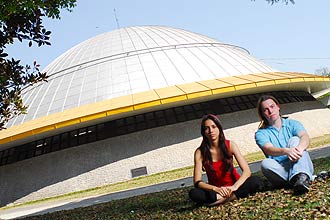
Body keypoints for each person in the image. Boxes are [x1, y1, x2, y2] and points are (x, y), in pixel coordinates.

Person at [189, 114, 262, 206]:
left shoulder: (231, 145)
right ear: (203, 132)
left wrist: (234, 187)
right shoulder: (199, 152)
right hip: (217, 191)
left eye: (214, 127)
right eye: (207, 128)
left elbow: (247, 171)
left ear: (219, 128)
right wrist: (216, 189)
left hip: (235, 187)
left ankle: (226, 199)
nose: (211, 131)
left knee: (255, 181)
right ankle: (227, 197)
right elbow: (197, 182)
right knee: (194, 193)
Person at [255, 95, 314, 195]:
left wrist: (298, 149)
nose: (270, 111)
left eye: (272, 106)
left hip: (300, 161)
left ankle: (301, 175)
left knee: (295, 140)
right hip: (281, 170)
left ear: (278, 107)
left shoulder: (292, 123)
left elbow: (305, 137)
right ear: (262, 114)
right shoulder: (260, 133)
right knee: (265, 163)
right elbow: (269, 149)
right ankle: (299, 179)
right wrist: (287, 151)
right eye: (265, 109)